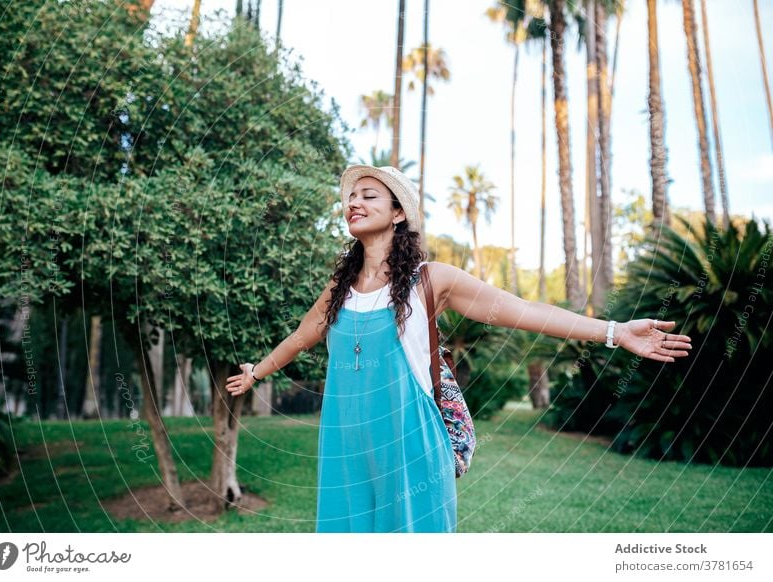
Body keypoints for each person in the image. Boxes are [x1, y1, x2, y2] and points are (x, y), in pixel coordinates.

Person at [224, 164, 693, 533]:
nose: (353, 203)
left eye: (368, 196)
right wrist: (256, 371)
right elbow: (305, 334)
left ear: (399, 212)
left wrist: (615, 332)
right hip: (346, 445)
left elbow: (525, 310)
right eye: (350, 197)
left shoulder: (431, 280)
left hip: (411, 446)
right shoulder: (340, 288)